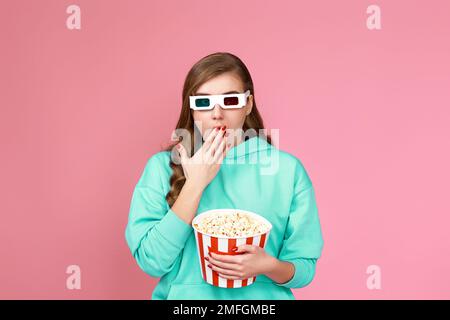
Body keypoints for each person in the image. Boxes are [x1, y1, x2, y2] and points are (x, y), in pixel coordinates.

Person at [125, 52, 324, 299]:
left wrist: (268, 266)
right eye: (204, 102)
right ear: (192, 108)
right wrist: (195, 185)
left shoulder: (287, 170)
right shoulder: (161, 167)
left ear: (248, 104)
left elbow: (304, 267)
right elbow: (151, 261)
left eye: (230, 101)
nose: (217, 113)